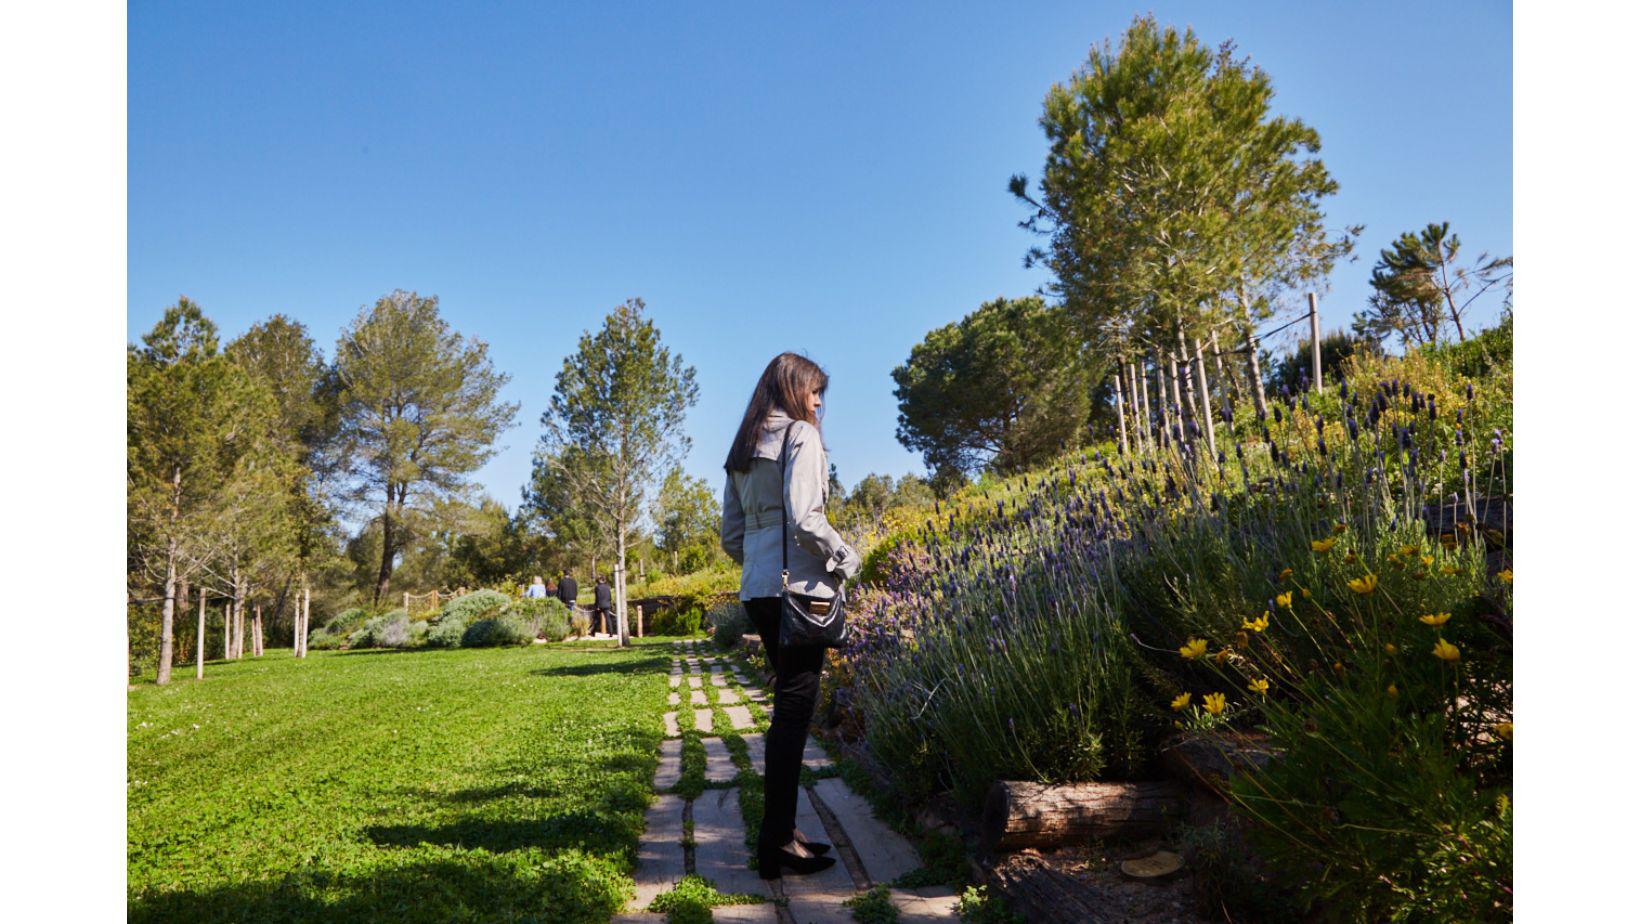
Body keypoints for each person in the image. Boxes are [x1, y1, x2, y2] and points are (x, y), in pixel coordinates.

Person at [720, 352, 860, 879]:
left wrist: (760, 568)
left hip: (758, 591)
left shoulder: (742, 448)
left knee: (788, 708)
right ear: (794, 389)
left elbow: (731, 537)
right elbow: (806, 517)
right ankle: (775, 840)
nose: (820, 402)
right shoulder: (800, 435)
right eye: (815, 391)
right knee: (794, 715)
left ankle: (784, 831)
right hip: (802, 591)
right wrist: (847, 557)